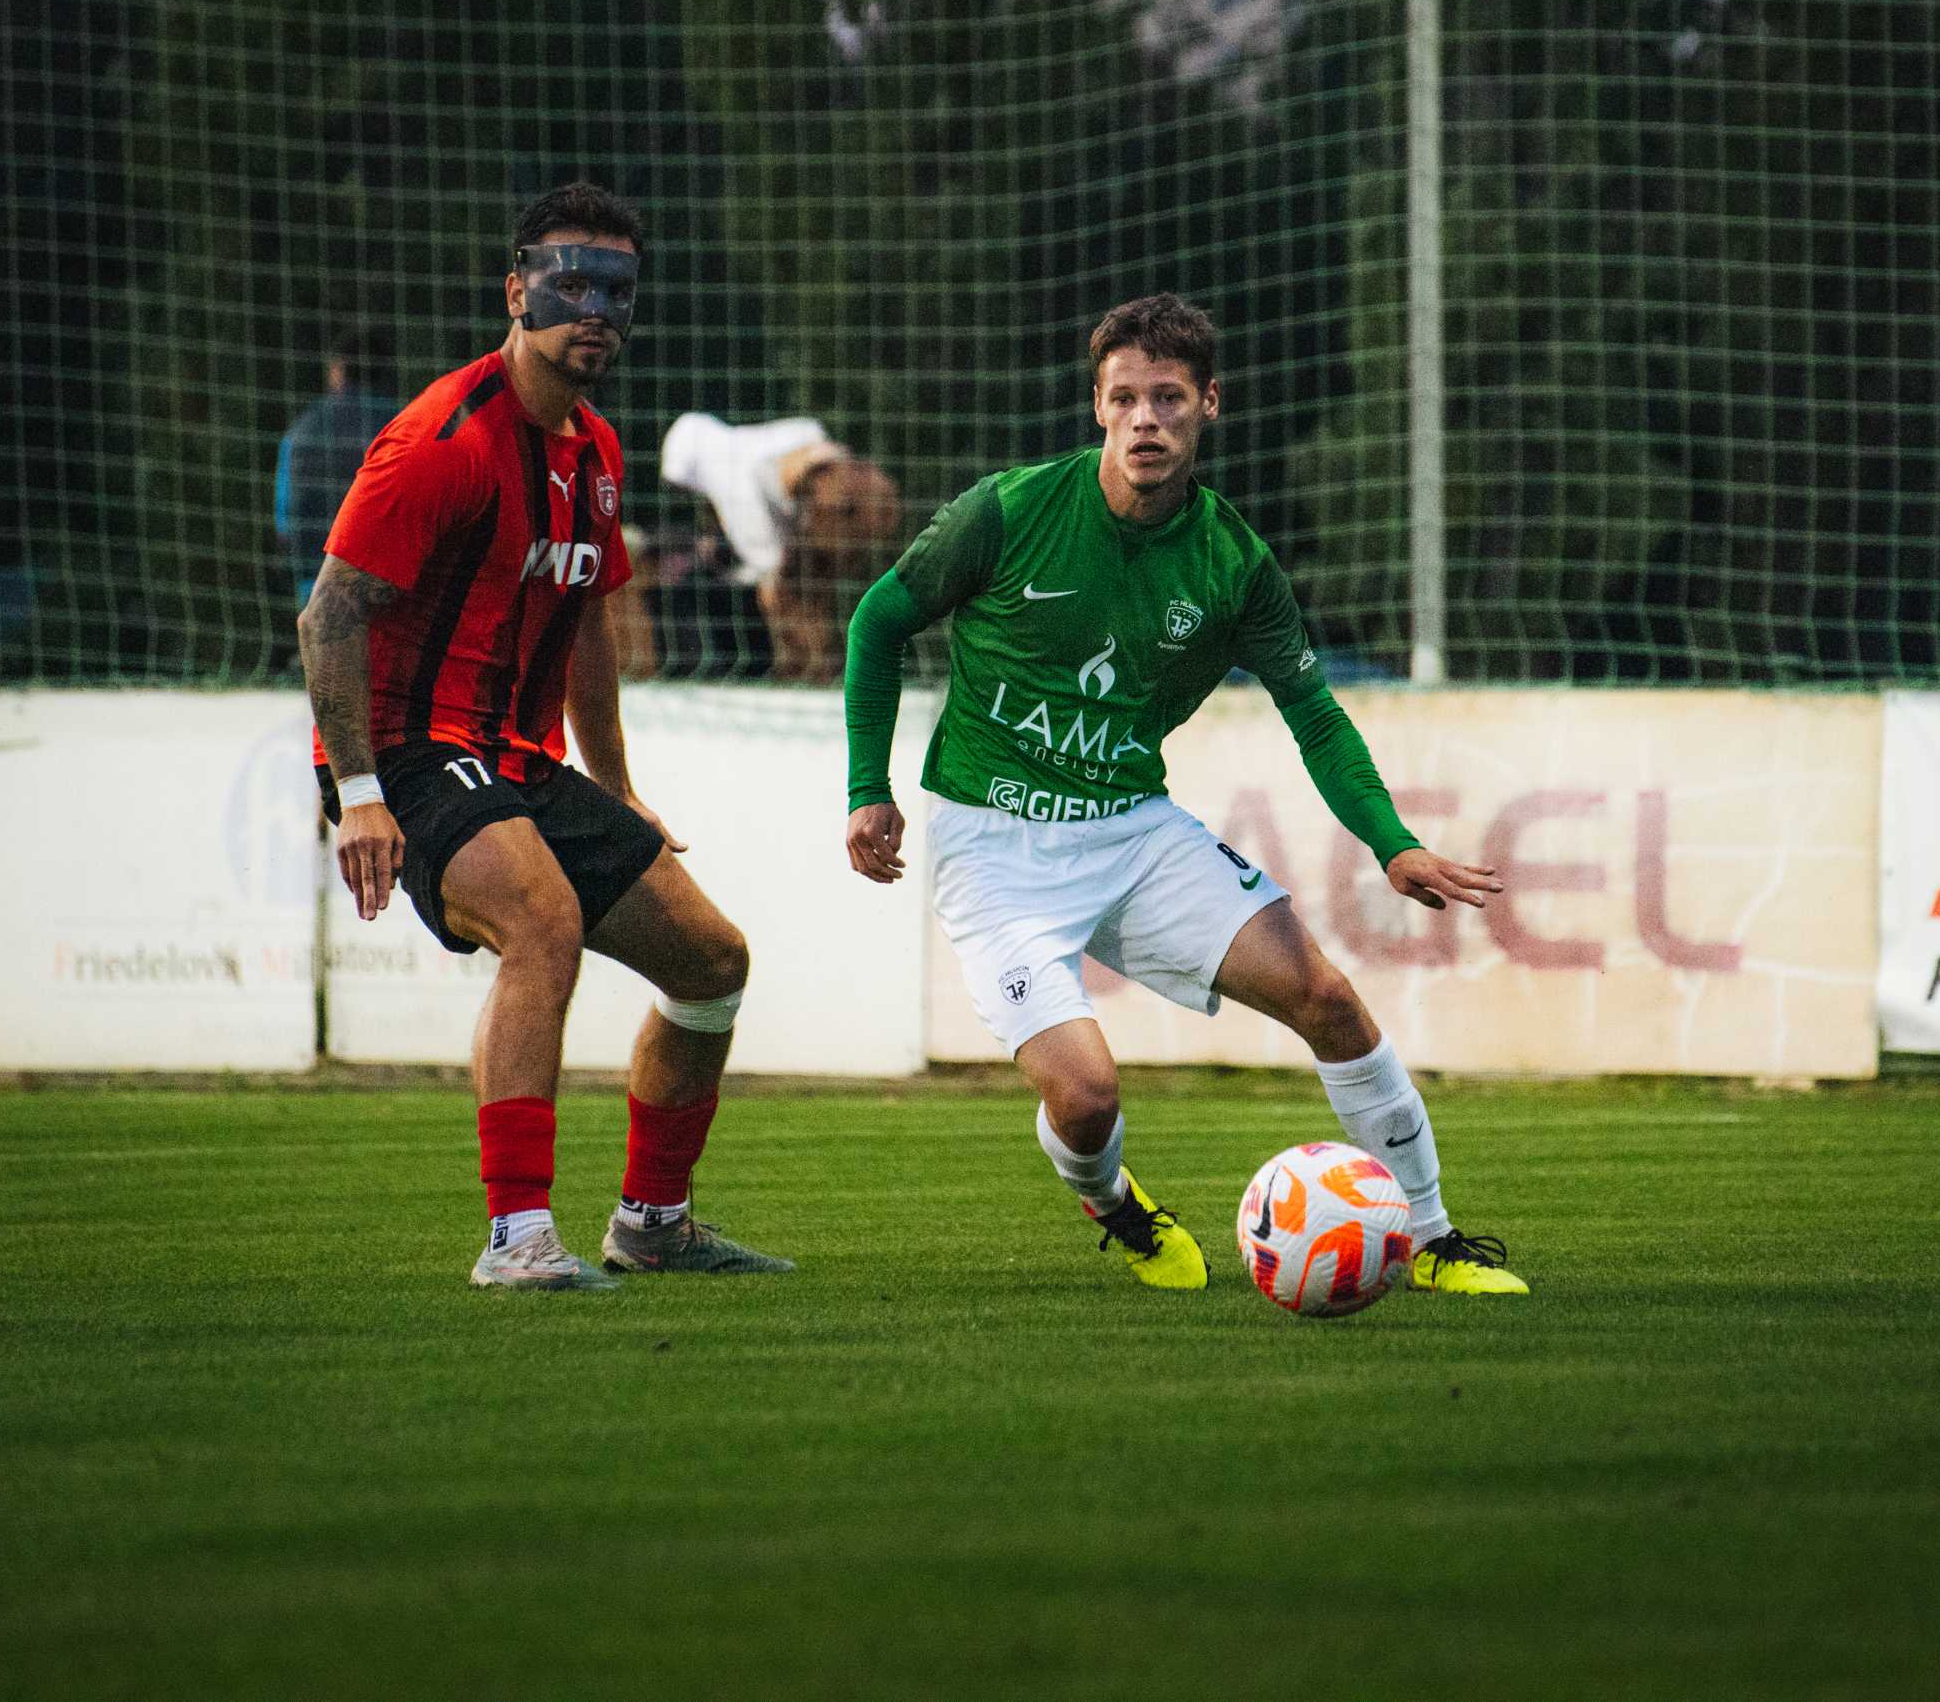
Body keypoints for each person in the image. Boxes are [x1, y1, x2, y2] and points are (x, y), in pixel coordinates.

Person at [841, 293, 1528, 1296]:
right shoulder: (1010, 510)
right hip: (993, 846)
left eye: (1168, 398)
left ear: (1210, 404)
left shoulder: (1232, 562)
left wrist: (1392, 844)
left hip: (1131, 830)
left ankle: (1431, 1239)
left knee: (1327, 998)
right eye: (1124, 398)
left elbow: (1316, 714)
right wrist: (870, 788)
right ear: (1097, 408)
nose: (1144, 420)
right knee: (1085, 1097)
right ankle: (1115, 1201)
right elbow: (875, 623)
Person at [301, 181, 792, 1293]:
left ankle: (653, 1223)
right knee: (543, 919)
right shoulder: (441, 440)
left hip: (518, 761)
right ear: (516, 289)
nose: (595, 308)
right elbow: (328, 614)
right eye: (571, 282)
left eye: (617, 288)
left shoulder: (600, 454)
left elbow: (588, 628)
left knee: (711, 961)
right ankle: (516, 1239)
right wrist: (361, 791)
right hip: (411, 751)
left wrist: (617, 788)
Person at [656, 413, 902, 681]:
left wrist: (739, 573)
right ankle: (837, 667)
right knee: (817, 590)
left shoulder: (734, 492)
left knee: (782, 596)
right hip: (867, 485)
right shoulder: (753, 440)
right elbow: (813, 432)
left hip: (834, 511)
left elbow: (769, 567)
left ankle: (810, 671)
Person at [274, 331, 390, 608]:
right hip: (385, 584)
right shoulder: (401, 426)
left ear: (337, 368)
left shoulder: (301, 432)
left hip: (316, 585)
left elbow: (285, 522)